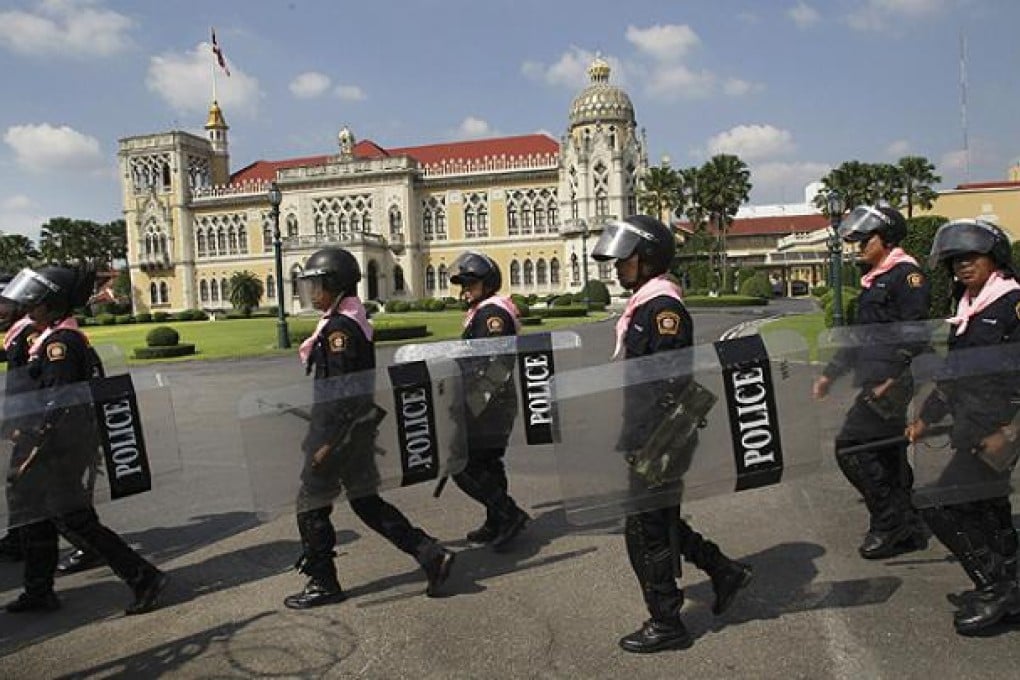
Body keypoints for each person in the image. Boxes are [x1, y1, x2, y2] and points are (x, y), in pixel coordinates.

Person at [591, 215, 753, 654]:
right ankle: (723, 570)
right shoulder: (645, 305)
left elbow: (667, 383)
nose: (617, 267)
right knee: (656, 521)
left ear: (647, 260)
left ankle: (668, 622)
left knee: (648, 530)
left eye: (624, 260)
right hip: (652, 434)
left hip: (663, 436)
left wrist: (649, 444)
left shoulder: (663, 309)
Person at [285, 247, 455, 609]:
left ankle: (323, 581)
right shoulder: (346, 321)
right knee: (366, 503)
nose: (312, 293)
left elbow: (344, 393)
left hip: (339, 436)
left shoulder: (339, 331)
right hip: (353, 432)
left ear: (336, 285)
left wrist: (328, 443)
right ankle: (430, 554)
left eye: (318, 286)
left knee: (310, 505)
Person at [1, 264, 167, 615]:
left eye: (36, 302)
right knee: (35, 518)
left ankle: (144, 577)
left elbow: (57, 404)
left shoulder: (60, 345)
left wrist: (31, 445)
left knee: (74, 519)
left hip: (57, 449)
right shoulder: (49, 340)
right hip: (52, 447)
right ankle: (39, 590)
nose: (29, 308)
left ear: (53, 304)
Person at [905, 219, 1020, 635]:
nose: (962, 265)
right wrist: (925, 419)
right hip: (971, 427)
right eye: (954, 260)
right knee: (991, 509)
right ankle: (1012, 586)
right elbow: (954, 376)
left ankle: (995, 587)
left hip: (999, 431)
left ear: (996, 257)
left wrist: (1010, 430)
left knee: (937, 503)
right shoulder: (970, 306)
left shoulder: (1011, 304)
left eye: (971, 256)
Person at [813, 205, 931, 559]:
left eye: (867, 238)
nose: (860, 244)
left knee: (851, 447)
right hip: (875, 379)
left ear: (887, 238)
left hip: (890, 382)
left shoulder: (905, 275)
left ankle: (888, 522)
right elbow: (860, 337)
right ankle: (907, 523)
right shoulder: (875, 277)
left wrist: (893, 378)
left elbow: (914, 332)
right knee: (887, 452)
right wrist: (830, 373)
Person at [447, 251, 529, 551]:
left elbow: (498, 364)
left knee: (464, 467)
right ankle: (497, 519)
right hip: (488, 403)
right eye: (462, 284)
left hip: (490, 405)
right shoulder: (483, 311)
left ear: (487, 283)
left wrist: (474, 404)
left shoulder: (492, 315)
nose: (464, 289)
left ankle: (509, 515)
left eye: (470, 283)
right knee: (489, 464)